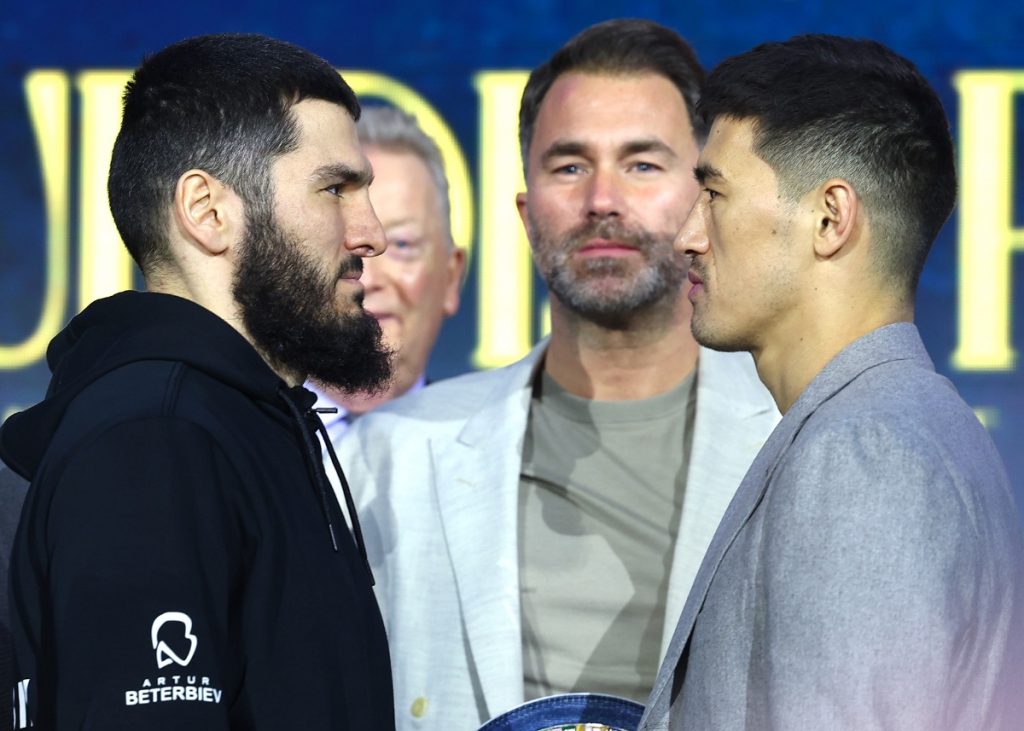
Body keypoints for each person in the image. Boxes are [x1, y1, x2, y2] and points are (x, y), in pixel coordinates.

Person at [339, 19, 779, 729]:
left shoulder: (795, 441)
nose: (602, 199)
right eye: (570, 166)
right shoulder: (388, 458)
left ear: (705, 201)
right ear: (525, 212)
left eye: (642, 164)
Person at [0, 34, 396, 729]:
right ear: (208, 211)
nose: (371, 233)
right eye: (335, 189)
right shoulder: (155, 440)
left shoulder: (240, 423)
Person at [641, 34, 1024, 730]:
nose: (687, 235)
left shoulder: (867, 456)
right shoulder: (908, 430)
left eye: (715, 193)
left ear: (829, 218)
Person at [308, 105, 465, 439]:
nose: (367, 280)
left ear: (451, 277)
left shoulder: (497, 454)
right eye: (340, 241)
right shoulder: (227, 445)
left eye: (402, 245)